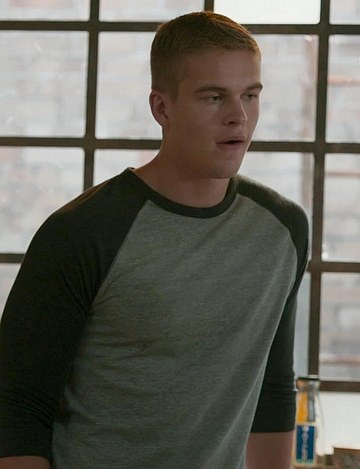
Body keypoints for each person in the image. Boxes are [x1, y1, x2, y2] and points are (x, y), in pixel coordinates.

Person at [0, 11, 308, 469]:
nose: (238, 117)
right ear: (162, 108)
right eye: (214, 97)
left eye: (250, 95)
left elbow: (273, 388)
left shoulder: (282, 230)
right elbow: (17, 407)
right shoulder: (84, 232)